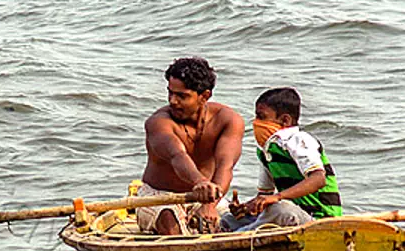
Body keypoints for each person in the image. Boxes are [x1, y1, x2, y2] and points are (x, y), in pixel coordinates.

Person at [138, 57, 244, 234]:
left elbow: (225, 166)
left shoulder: (228, 120)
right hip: (159, 196)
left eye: (182, 96)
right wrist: (200, 181)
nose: (172, 101)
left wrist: (210, 204)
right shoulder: (158, 123)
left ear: (204, 96)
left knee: (230, 226)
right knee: (170, 221)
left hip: (207, 197)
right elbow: (177, 156)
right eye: (170, 93)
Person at [221, 87, 342, 231]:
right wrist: (247, 208)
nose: (256, 123)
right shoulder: (266, 151)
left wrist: (277, 197)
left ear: (285, 120)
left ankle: (242, 236)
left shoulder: (299, 140)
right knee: (229, 218)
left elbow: (318, 179)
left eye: (262, 117)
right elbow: (265, 196)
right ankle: (238, 231)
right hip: (293, 212)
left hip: (319, 219)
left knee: (280, 210)